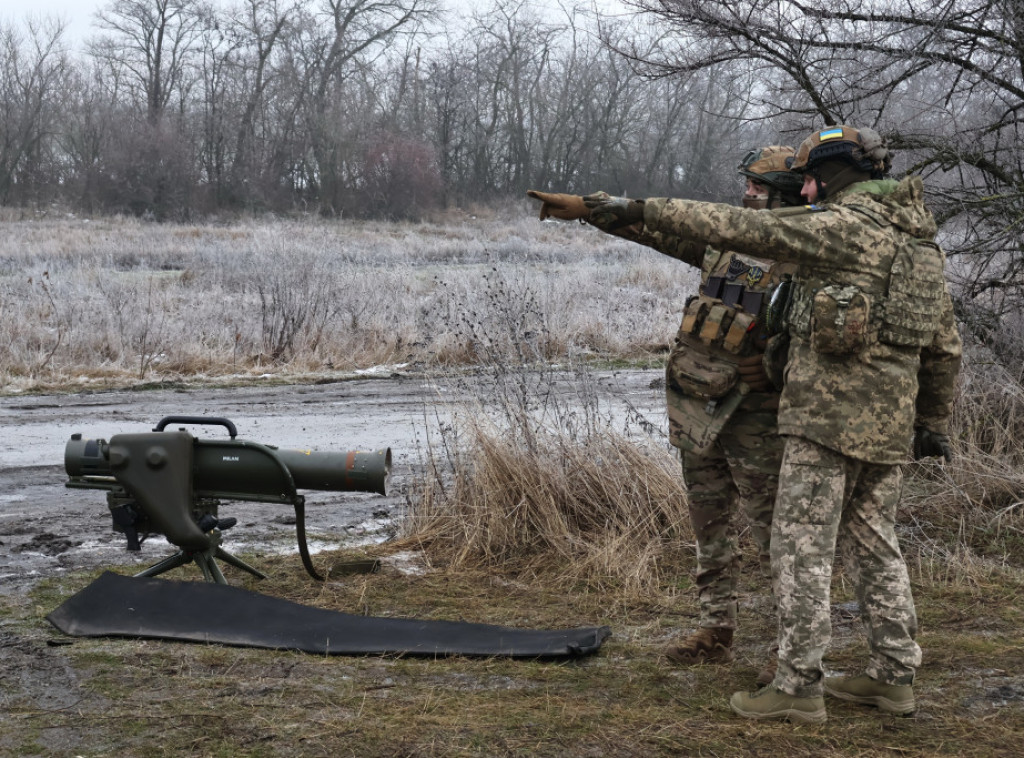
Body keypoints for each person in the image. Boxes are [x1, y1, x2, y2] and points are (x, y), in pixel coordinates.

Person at [583, 125, 963, 724]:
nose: (805, 189)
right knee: (875, 546)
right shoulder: (917, 244)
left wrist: (636, 206)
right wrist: (931, 422)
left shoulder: (840, 229)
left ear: (833, 176)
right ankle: (894, 676)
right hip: (885, 428)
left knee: (799, 547)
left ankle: (797, 685)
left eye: (810, 178)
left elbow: (744, 232)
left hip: (825, 420)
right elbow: (944, 348)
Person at [529, 146, 804, 685]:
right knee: (708, 521)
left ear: (790, 192)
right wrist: (590, 210)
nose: (747, 193)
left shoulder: (810, 252)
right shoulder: (727, 239)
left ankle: (789, 645)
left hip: (760, 414)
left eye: (759, 187)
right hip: (700, 399)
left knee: (776, 533)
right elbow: (656, 229)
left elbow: (826, 338)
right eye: (747, 183)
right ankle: (715, 626)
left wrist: (776, 366)